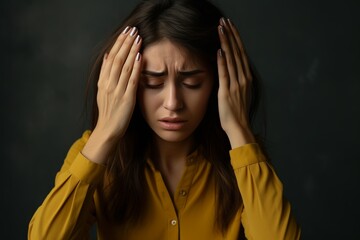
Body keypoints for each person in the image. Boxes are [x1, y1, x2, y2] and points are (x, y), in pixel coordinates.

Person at [28, 0, 301, 239]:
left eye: (192, 82)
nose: (173, 103)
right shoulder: (94, 155)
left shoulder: (244, 163)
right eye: (152, 82)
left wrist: (239, 130)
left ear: (219, 84)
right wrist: (106, 133)